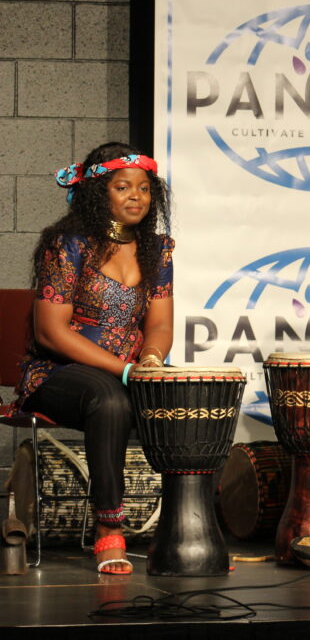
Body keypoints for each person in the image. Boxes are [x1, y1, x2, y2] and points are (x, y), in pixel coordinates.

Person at [12, 143, 174, 574]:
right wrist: (124, 370)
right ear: (98, 192)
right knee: (111, 400)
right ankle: (109, 529)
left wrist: (153, 360)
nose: (136, 196)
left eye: (144, 188)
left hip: (130, 370)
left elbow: (159, 325)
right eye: (123, 187)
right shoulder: (67, 245)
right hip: (57, 373)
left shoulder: (157, 250)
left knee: (190, 396)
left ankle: (183, 531)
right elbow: (51, 331)